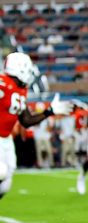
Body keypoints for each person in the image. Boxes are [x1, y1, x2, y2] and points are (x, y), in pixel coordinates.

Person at [0, 52, 71, 199]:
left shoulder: (21, 89)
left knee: (5, 185)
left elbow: (26, 120)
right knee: (1, 171)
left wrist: (49, 112)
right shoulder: (3, 83)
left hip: (6, 140)